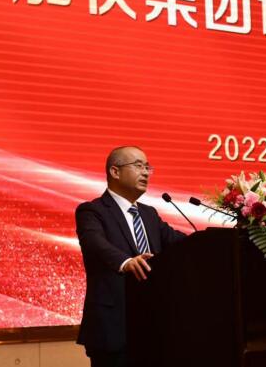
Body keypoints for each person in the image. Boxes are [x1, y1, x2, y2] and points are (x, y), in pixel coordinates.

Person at [75, 146, 187, 367]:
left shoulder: (149, 214)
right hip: (113, 329)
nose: (145, 172)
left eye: (147, 167)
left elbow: (179, 243)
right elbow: (95, 243)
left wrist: (217, 240)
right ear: (115, 171)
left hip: (153, 327)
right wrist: (125, 261)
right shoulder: (92, 211)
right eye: (138, 166)